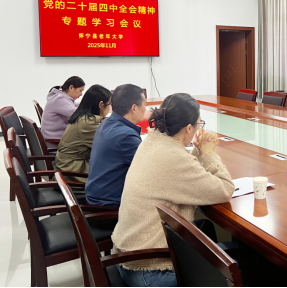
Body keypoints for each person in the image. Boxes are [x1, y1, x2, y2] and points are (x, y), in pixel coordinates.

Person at [112, 93, 235, 287]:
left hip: (129, 257)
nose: (199, 128)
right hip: (149, 271)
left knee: (205, 229)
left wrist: (199, 151)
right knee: (239, 274)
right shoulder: (172, 157)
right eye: (199, 123)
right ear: (189, 128)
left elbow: (183, 173)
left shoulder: (154, 140)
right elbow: (224, 189)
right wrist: (209, 153)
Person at [85, 84, 146, 208]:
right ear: (134, 108)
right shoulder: (126, 136)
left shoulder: (107, 123)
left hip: (97, 195)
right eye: (144, 104)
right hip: (110, 205)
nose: (146, 108)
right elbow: (151, 169)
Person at [54, 85, 112, 183]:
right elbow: (109, 145)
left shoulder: (84, 117)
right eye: (110, 104)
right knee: (117, 171)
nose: (111, 108)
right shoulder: (87, 123)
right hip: (72, 171)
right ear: (101, 104)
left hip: (68, 165)